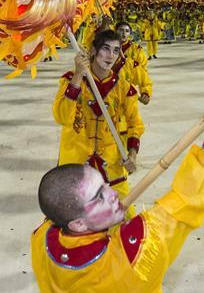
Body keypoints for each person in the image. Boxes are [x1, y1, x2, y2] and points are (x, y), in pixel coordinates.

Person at [32, 72, 204, 293]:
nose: (112, 193)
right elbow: (188, 199)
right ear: (78, 223)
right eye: (98, 196)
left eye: (104, 185)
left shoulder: (42, 241)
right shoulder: (134, 256)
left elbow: (57, 208)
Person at [52, 30, 144, 217]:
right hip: (75, 164)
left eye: (116, 51)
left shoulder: (124, 88)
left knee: (126, 217)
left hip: (111, 164)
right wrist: (78, 76)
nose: (111, 56)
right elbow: (61, 117)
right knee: (72, 222)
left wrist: (132, 155)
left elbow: (135, 125)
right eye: (106, 49)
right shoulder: (70, 80)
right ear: (93, 50)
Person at [113, 22, 152, 105]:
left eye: (127, 31)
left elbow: (142, 73)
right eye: (121, 30)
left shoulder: (136, 50)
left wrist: (145, 92)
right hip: (109, 91)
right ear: (115, 31)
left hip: (128, 93)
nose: (124, 33)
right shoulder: (108, 48)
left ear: (130, 33)